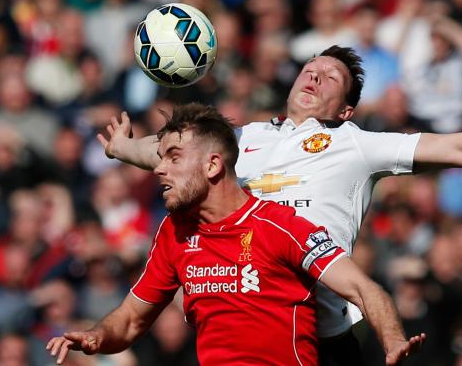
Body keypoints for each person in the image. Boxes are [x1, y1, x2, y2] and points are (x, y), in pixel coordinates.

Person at [98, 46, 462, 365]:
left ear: (348, 107)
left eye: (330, 76)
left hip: (330, 330)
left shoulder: (356, 143)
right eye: (310, 68)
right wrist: (124, 149)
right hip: (258, 322)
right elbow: (178, 157)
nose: (314, 75)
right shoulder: (246, 137)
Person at [47, 103, 425, 365]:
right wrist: (97, 336)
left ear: (213, 164)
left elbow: (362, 287)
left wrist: (391, 339)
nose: (160, 170)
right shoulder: (174, 233)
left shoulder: (279, 224)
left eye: (174, 157)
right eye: (160, 158)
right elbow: (130, 320)